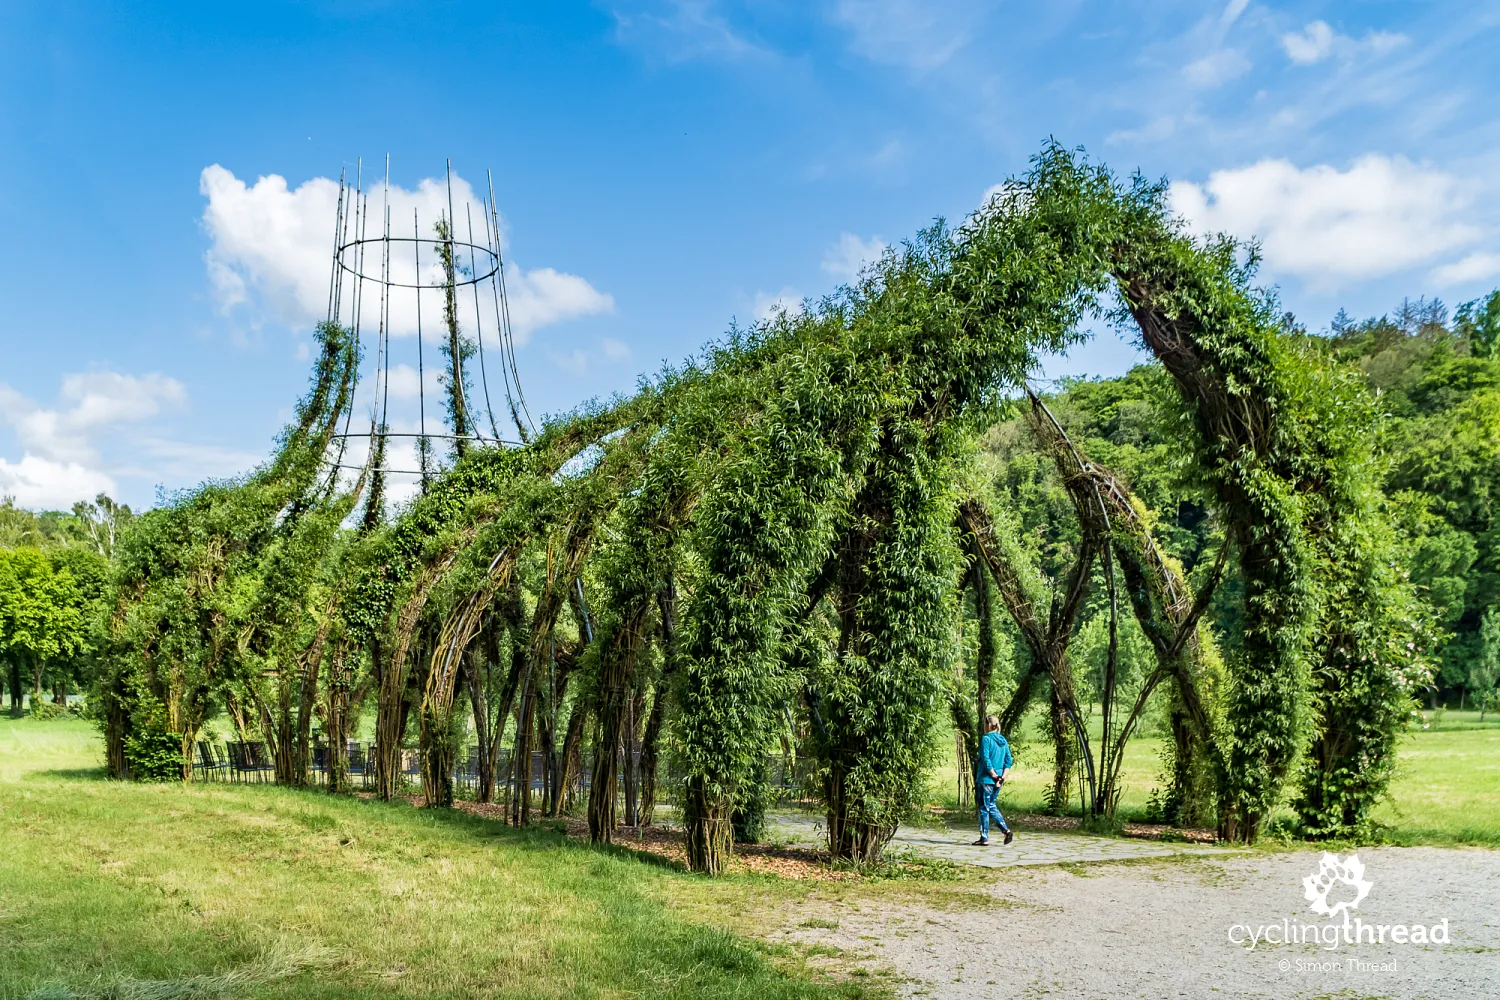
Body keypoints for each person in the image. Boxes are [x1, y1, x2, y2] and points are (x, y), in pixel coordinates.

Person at [973, 714, 1014, 846]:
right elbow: (1009, 761)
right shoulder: (1003, 740)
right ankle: (1006, 831)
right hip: (998, 781)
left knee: (984, 808)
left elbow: (985, 759)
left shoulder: (986, 739)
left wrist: (993, 775)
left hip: (986, 779)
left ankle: (984, 837)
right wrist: (1002, 777)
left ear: (987, 725)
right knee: (992, 805)